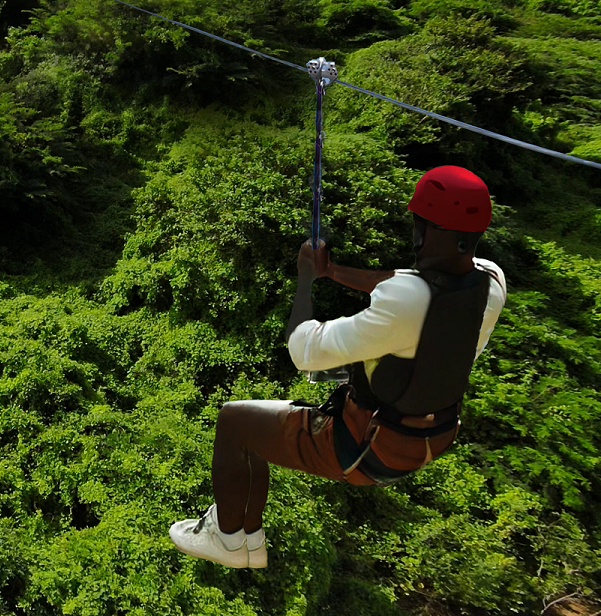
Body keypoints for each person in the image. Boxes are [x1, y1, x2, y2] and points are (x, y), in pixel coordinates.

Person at [169, 166, 508, 569]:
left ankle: (227, 540)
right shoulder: (490, 282)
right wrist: (333, 271)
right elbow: (400, 282)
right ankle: (250, 541)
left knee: (232, 421)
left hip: (367, 446)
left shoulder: (406, 302)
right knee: (253, 426)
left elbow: (304, 351)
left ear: (425, 228)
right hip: (430, 435)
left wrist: (307, 280)